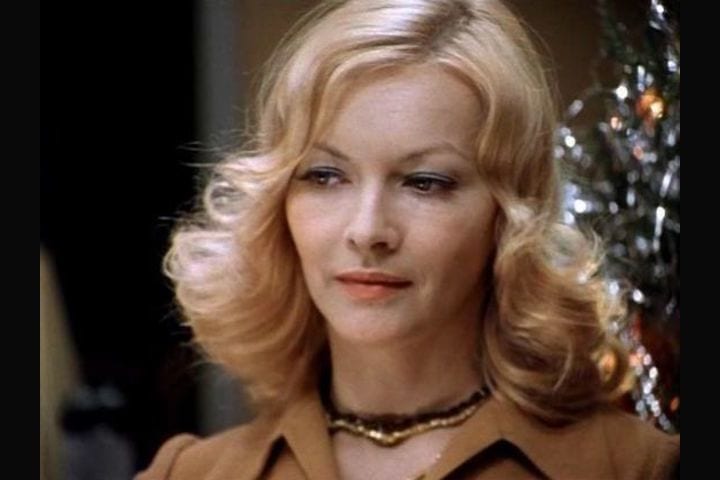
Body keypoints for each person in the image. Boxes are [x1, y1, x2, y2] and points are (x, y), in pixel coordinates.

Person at [137, 0, 680, 478]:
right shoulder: (188, 473)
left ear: (510, 217)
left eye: (425, 182)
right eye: (324, 175)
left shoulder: (637, 467)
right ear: (278, 202)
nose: (368, 231)